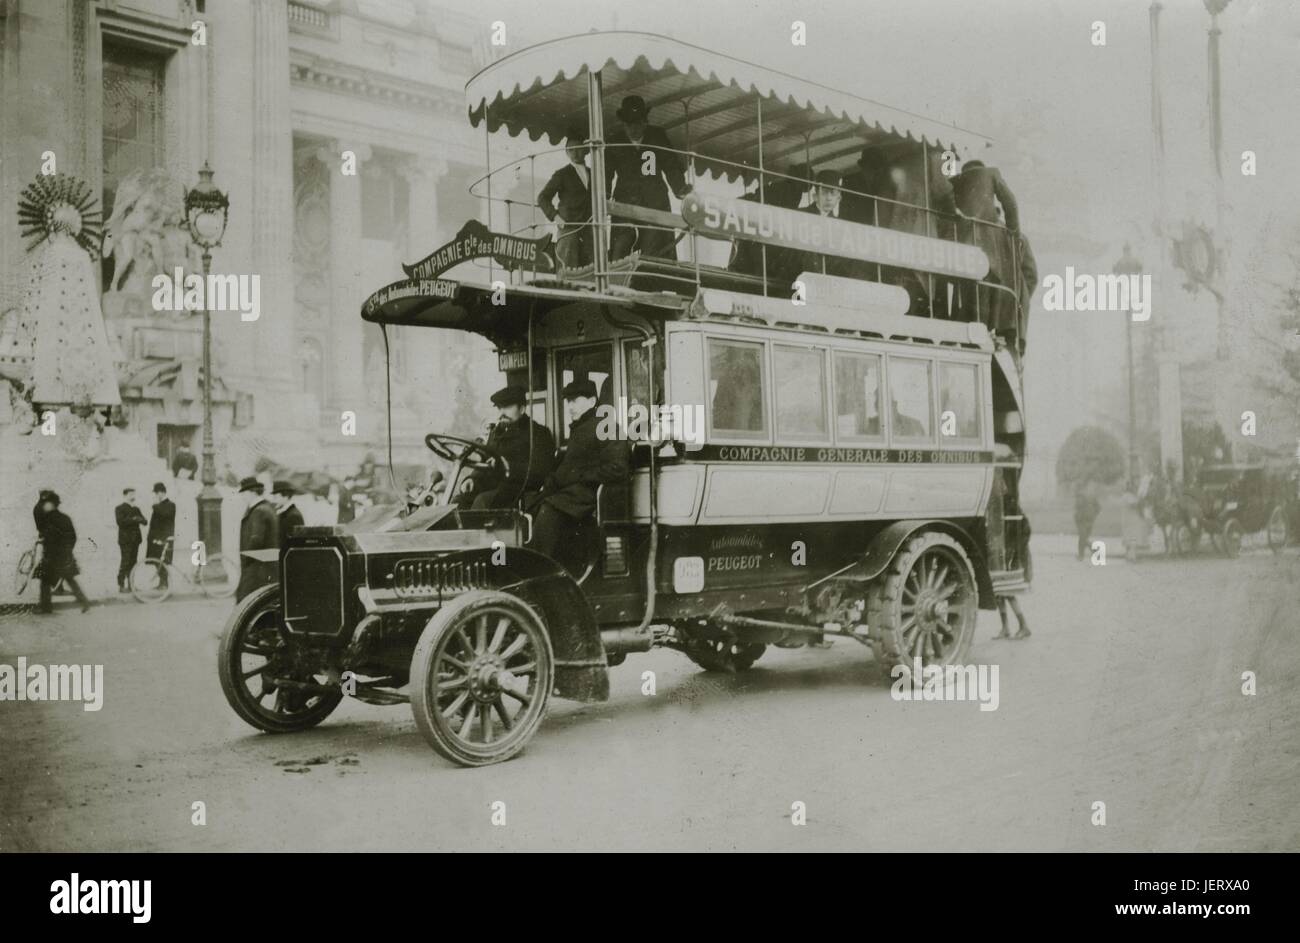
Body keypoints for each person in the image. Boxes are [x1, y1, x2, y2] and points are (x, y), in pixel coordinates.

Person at [529, 379, 630, 571]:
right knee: (530, 506)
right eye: (568, 401)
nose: (569, 406)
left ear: (592, 401)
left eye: (575, 400)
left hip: (589, 494)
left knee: (549, 510)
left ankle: (538, 571)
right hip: (572, 493)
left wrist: (581, 475)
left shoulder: (605, 426)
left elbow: (618, 468)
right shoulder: (579, 428)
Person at [605, 95, 690, 260]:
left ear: (645, 122)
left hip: (655, 202)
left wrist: (681, 189)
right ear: (623, 124)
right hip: (625, 203)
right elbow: (606, 173)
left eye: (637, 123)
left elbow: (671, 165)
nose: (633, 129)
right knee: (621, 245)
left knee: (655, 246)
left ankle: (652, 281)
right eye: (629, 124)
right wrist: (605, 197)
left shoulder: (658, 137)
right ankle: (619, 278)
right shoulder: (614, 141)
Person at [456, 385, 556, 510]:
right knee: (458, 502)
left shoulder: (538, 433)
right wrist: (472, 478)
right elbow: (484, 461)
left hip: (519, 491)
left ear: (522, 409)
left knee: (482, 502)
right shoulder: (496, 432)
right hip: (494, 488)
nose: (502, 413)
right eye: (499, 408)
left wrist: (506, 466)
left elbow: (540, 471)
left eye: (507, 407)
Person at [952, 159, 1020, 332]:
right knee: (988, 285)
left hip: (960, 242)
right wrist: (1013, 230)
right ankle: (984, 331)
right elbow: (1010, 202)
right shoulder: (991, 172)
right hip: (986, 242)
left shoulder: (956, 180)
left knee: (965, 290)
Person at [538, 127, 593, 270]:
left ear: (586, 150)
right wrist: (556, 217)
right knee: (567, 269)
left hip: (589, 229)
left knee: (591, 269)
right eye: (571, 149)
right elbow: (542, 197)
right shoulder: (562, 174)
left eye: (579, 148)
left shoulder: (594, 174)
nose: (575, 153)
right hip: (569, 228)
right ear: (567, 152)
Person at [34, 491, 91, 614]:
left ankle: (46, 608)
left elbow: (47, 536)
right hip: (65, 556)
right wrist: (67, 551)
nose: (44, 506)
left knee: (45, 581)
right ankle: (84, 602)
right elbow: (72, 537)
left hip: (51, 556)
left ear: (51, 504)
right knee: (70, 579)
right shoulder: (65, 518)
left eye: (46, 503)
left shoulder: (48, 519)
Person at [799, 169, 856, 279]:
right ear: (815, 196)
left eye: (833, 193)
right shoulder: (799, 215)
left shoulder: (840, 227)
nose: (829, 198)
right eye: (824, 192)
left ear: (838, 198)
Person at [235, 477, 280, 602]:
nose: (243, 497)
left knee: (246, 602)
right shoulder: (267, 507)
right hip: (266, 567)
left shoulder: (259, 511)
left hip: (257, 569)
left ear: (252, 492)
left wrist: (247, 561)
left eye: (244, 493)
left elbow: (256, 540)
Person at [114, 487, 147, 593]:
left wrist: (139, 519)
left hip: (136, 540)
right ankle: (121, 585)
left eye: (134, 494)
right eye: (131, 494)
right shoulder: (119, 508)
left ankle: (131, 585)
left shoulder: (136, 509)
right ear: (125, 495)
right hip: (125, 540)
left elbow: (145, 521)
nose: (133, 496)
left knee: (133, 562)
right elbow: (120, 522)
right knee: (125, 562)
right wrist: (134, 519)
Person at [146, 482, 176, 589]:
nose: (155, 496)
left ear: (160, 493)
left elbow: (165, 516)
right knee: (156, 560)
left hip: (164, 538)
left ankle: (164, 583)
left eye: (156, 493)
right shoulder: (160, 505)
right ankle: (162, 583)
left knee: (161, 561)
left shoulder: (170, 505)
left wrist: (155, 506)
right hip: (156, 538)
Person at [272, 480, 305, 547]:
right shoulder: (284, 512)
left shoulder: (293, 515)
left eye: (276, 497)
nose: (274, 500)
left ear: (285, 496)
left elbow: (296, 542)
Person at [1074, 480, 1101, 561]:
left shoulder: (1090, 497)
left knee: (1083, 538)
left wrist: (1093, 515)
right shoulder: (1081, 496)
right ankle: (1082, 555)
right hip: (1081, 520)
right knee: (1083, 537)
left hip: (1087, 520)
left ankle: (1093, 551)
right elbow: (1077, 507)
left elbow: (1098, 508)